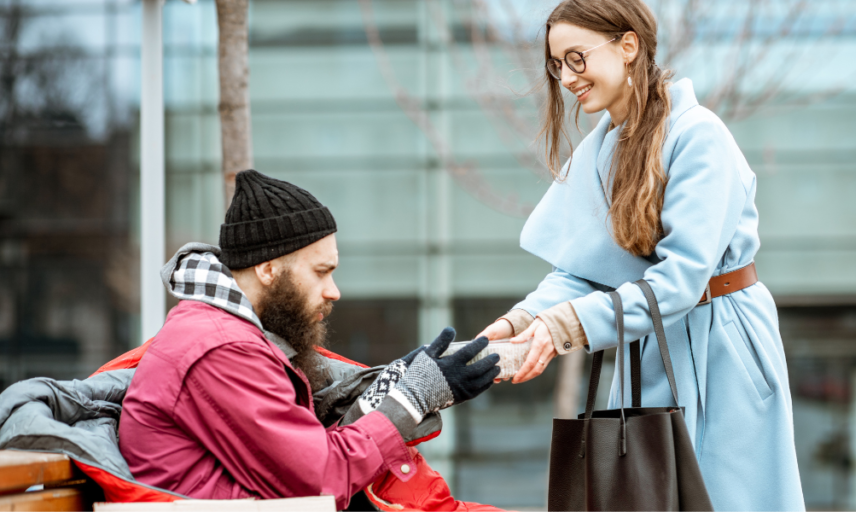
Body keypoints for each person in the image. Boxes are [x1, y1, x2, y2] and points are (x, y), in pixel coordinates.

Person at [476, 0, 805, 509]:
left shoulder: (700, 136)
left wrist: (562, 328)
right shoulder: (604, 148)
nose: (566, 76)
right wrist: (520, 321)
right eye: (557, 64)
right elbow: (584, 271)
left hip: (724, 346)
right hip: (651, 344)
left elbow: (681, 280)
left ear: (628, 45)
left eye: (576, 57)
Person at [119, 170, 501, 510]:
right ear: (268, 269)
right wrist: (412, 399)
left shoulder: (229, 333)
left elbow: (303, 461)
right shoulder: (221, 349)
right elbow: (319, 482)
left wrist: (396, 380)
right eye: (321, 272)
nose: (333, 291)